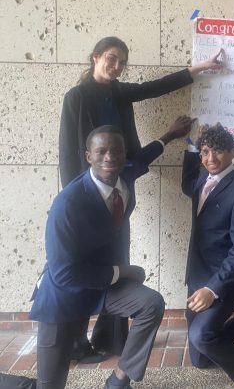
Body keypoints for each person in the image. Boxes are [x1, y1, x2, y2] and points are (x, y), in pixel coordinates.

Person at [58, 36, 222, 362]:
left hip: (119, 191)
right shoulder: (76, 97)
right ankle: (73, 343)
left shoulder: (118, 92)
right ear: (95, 57)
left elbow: (155, 87)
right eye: (111, 58)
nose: (117, 66)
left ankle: (110, 336)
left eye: (122, 61)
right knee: (83, 270)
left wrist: (199, 68)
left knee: (118, 264)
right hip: (87, 197)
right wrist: (73, 200)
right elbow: (68, 153)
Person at [29, 116, 194, 389]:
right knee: (48, 386)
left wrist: (170, 134)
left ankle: (118, 380)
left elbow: (143, 159)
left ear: (124, 154)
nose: (109, 157)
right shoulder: (68, 204)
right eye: (101, 151)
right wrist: (123, 272)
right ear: (88, 156)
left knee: (151, 304)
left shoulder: (125, 176)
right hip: (64, 294)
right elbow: (63, 273)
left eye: (116, 151)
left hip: (104, 288)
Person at [182, 124, 234, 389]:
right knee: (200, 360)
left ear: (232, 152)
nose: (210, 158)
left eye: (218, 152)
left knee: (201, 335)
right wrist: (192, 147)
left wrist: (212, 289)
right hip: (197, 273)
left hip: (224, 280)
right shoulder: (203, 179)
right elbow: (187, 183)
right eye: (205, 152)